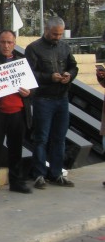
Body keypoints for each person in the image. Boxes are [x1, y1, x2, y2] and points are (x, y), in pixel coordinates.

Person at [26, 16, 78, 189]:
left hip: (62, 97)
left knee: (59, 138)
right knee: (41, 138)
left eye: (60, 34)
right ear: (46, 30)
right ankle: (39, 174)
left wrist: (69, 75)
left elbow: (73, 66)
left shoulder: (64, 47)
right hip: (43, 98)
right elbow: (29, 73)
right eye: (55, 34)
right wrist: (49, 77)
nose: (58, 37)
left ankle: (56, 173)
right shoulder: (33, 48)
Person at [0, 30, 33, 196]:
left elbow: (32, 87)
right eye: (3, 42)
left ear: (14, 43)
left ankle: (16, 181)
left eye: (9, 42)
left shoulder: (21, 63)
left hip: (18, 112)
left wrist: (29, 93)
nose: (6, 45)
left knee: (16, 149)